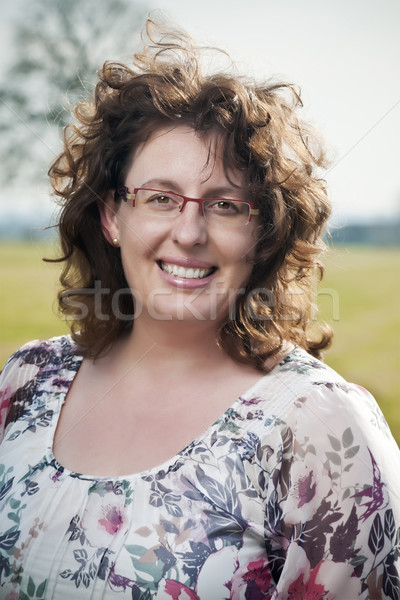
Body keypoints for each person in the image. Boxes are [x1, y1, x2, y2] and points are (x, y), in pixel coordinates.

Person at [0, 19, 399, 600]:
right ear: (113, 216)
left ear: (264, 230)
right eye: (161, 198)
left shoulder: (321, 432)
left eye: (227, 205)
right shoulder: (28, 382)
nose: (189, 233)